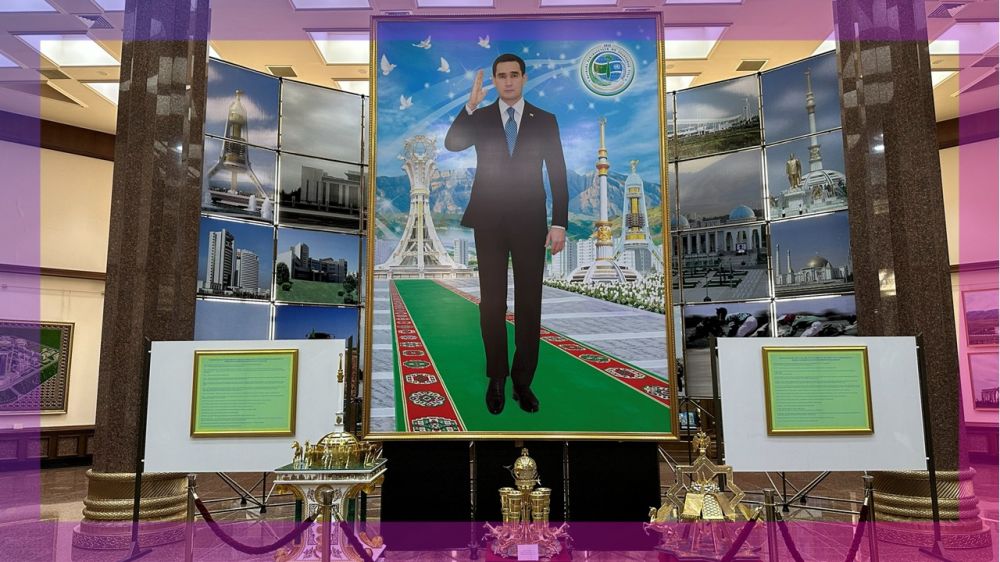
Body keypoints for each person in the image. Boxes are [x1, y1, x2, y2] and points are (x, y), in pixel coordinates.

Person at [444, 53, 568, 415]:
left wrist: (559, 223)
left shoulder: (545, 120)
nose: (508, 81)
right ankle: (496, 377)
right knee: (492, 303)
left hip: (531, 222)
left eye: (514, 75)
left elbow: (557, 172)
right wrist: (469, 105)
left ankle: (523, 383)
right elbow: (452, 143)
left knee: (530, 304)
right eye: (501, 76)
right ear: (494, 81)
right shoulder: (481, 117)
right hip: (489, 221)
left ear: (524, 78)